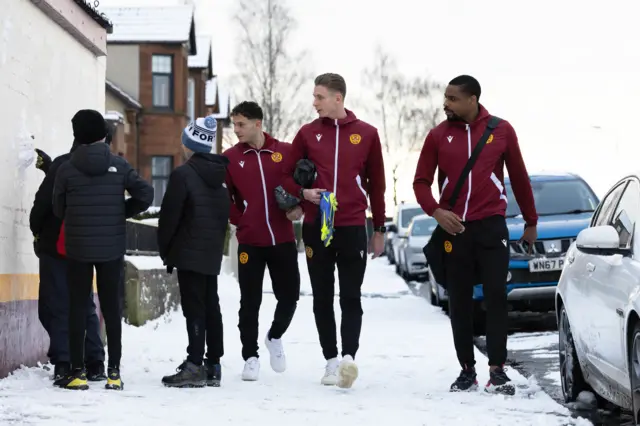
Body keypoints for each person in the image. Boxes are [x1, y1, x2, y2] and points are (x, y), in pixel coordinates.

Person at [413, 75, 537, 395]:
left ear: (473, 99)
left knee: (496, 296)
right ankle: (466, 369)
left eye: (453, 99)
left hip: (491, 226)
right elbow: (421, 182)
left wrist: (531, 220)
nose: (446, 104)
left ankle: (497, 369)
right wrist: (436, 211)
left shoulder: (501, 130)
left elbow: (520, 178)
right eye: (445, 97)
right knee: (460, 301)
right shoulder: (438, 135)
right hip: (454, 228)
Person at [281, 73, 386, 389]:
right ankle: (330, 362)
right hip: (316, 227)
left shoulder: (366, 134)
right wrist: (303, 195)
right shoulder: (307, 134)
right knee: (322, 297)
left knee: (351, 296)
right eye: (314, 97)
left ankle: (348, 359)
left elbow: (377, 186)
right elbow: (285, 176)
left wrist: (378, 228)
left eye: (319, 97)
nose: (314, 103)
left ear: (338, 98)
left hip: (353, 225)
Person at [53, 109, 154, 390]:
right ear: (103, 134)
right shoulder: (119, 167)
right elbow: (146, 194)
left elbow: (58, 208)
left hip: (78, 249)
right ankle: (113, 373)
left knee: (77, 307)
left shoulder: (66, 168)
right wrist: (121, 211)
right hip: (111, 249)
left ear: (77, 136)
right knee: (111, 308)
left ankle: (76, 373)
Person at [223, 101, 302, 381]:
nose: (236, 130)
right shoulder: (230, 158)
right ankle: (250, 356)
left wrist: (299, 206)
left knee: (290, 295)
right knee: (250, 301)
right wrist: (242, 218)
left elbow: (301, 186)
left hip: (282, 239)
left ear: (258, 124)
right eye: (234, 124)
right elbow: (225, 198)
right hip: (250, 242)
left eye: (241, 124)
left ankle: (275, 336)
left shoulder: (287, 152)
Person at [158, 115, 230, 388]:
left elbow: (169, 219)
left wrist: (167, 251)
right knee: (211, 306)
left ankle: (194, 365)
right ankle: (213, 365)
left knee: (194, 309)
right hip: (210, 253)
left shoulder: (183, 175)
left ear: (189, 143)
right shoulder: (221, 178)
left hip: (188, 252)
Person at [30, 143, 106, 385]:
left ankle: (64, 364)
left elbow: (44, 203)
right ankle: (95, 363)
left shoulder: (64, 164)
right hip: (86, 248)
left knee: (56, 305)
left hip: (57, 246)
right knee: (85, 305)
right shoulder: (110, 167)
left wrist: (37, 232)